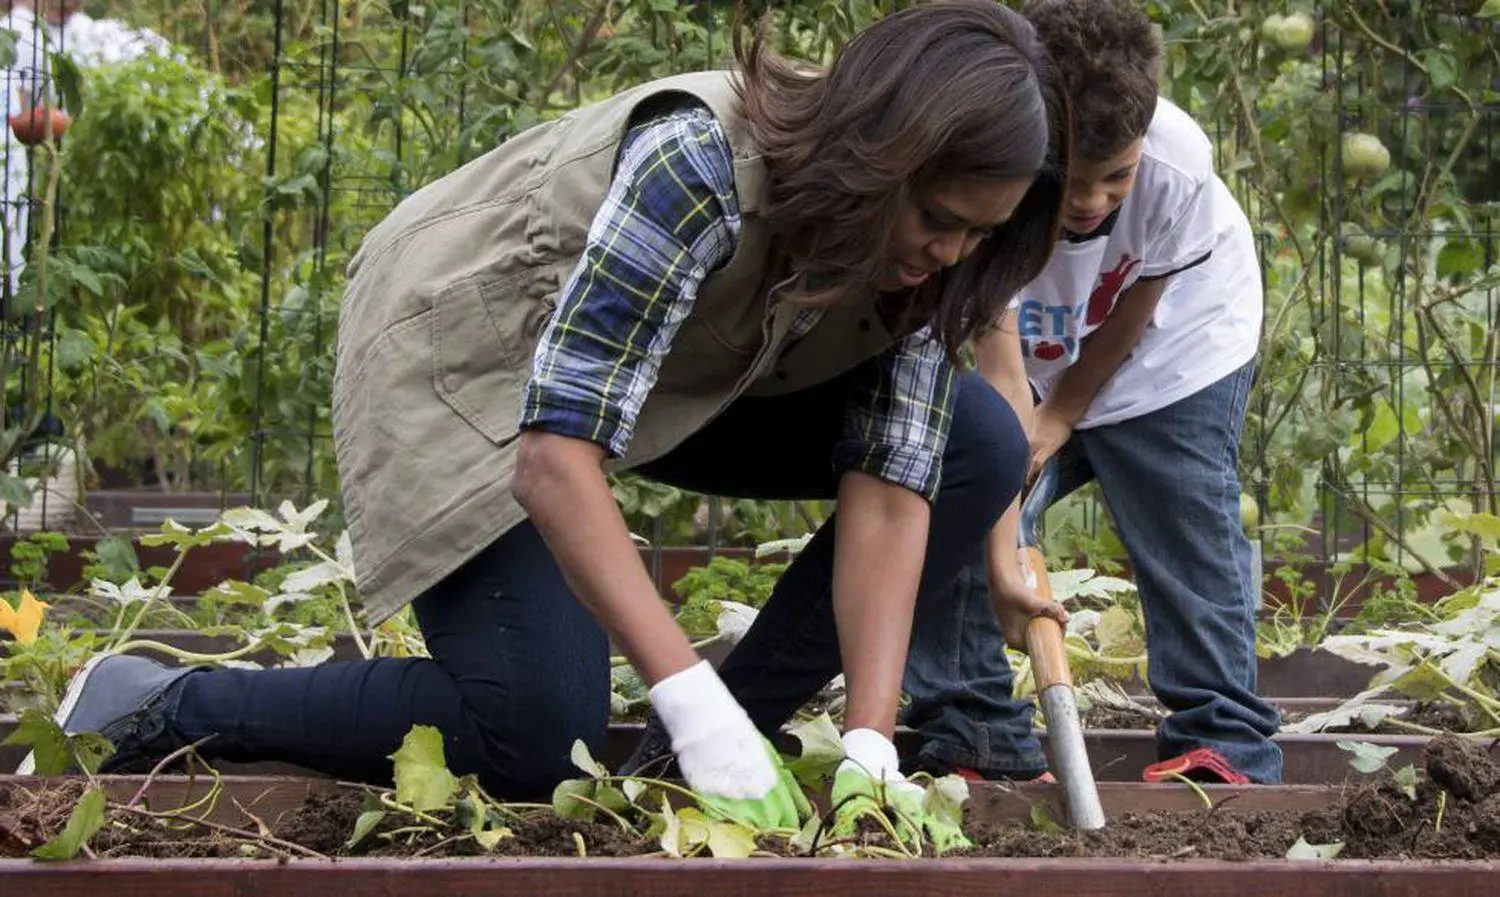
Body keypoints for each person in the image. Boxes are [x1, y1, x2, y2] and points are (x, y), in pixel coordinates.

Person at [23, 0, 1071, 824]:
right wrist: (685, 691)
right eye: (937, 218)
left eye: (978, 235)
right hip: (468, 352)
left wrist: (871, 746)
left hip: (668, 376)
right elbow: (554, 455)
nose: (949, 252)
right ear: (881, 153)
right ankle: (152, 700)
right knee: (533, 736)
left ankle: (691, 761)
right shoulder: (701, 164)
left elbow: (892, 485)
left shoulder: (927, 259)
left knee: (974, 440)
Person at [898, 0, 1284, 785]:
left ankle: (1223, 737)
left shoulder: (1178, 162)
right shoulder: (990, 162)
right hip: (1022, 350)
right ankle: (973, 729)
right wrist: (1009, 488)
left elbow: (1140, 302)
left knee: (1183, 514)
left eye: (1117, 178)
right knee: (953, 484)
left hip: (1175, 347)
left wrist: (1064, 413)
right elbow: (1001, 374)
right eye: (1072, 180)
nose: (1092, 202)